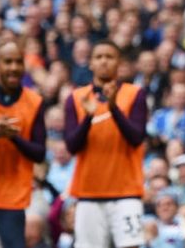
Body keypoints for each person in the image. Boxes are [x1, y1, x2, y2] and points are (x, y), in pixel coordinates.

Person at [64, 39, 148, 248]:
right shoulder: (75, 98)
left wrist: (113, 108)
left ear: (119, 62)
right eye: (98, 57)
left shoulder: (134, 94)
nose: (104, 62)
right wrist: (88, 118)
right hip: (89, 192)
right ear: (91, 63)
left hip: (126, 192)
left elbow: (136, 138)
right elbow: (72, 146)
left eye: (109, 57)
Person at [0, 40, 46, 248]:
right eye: (7, 61)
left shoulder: (34, 101)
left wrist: (13, 137)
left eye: (18, 62)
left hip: (10, 192)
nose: (13, 67)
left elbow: (39, 153)